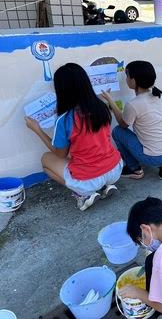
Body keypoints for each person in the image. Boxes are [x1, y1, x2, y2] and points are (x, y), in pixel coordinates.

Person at [25, 63, 122, 211]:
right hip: (115, 168)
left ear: (61, 90)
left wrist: (37, 130)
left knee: (46, 159)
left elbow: (59, 154)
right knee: (79, 155)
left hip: (88, 179)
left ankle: (82, 194)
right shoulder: (101, 106)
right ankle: (106, 186)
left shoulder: (65, 119)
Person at [102, 61, 162, 180]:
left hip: (155, 157)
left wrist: (110, 99)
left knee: (117, 131)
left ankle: (135, 169)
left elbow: (123, 125)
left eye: (127, 76)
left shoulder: (133, 104)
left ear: (133, 81)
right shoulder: (157, 94)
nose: (125, 78)